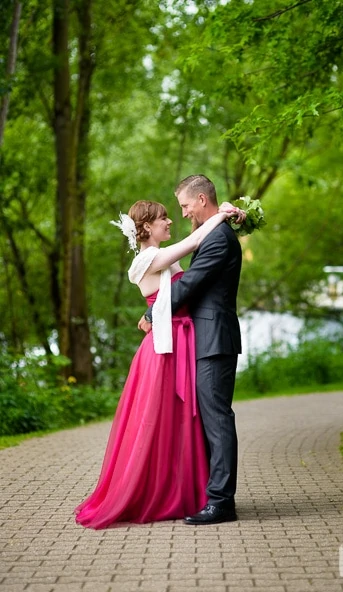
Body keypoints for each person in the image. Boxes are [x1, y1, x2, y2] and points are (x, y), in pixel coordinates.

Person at [74, 198, 243, 529]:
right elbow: (194, 242)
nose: (170, 221)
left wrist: (225, 215)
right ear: (147, 227)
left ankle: (186, 491)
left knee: (182, 422)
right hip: (165, 349)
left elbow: (188, 275)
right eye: (164, 217)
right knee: (158, 421)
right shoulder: (146, 259)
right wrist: (223, 214)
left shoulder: (161, 259)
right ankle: (154, 492)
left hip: (183, 340)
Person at [139, 175, 243, 525]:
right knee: (210, 419)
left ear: (201, 200)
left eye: (185, 206)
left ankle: (221, 503)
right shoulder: (214, 233)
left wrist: (153, 313)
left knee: (216, 419)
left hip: (214, 340)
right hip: (207, 338)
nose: (182, 213)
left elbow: (191, 285)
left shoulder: (218, 240)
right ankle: (210, 494)